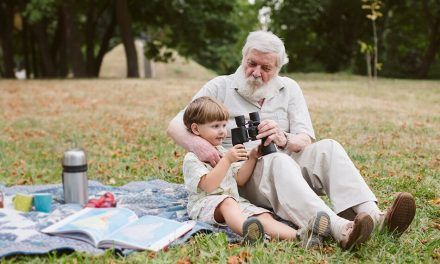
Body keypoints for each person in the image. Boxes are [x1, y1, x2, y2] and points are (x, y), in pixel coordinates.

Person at [168, 31, 416, 250]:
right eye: (251, 63)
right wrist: (199, 145)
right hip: (241, 174)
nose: (256, 73)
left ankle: (375, 217)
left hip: (286, 162)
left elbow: (305, 139)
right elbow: (176, 124)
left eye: (266, 69)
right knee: (277, 160)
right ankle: (342, 230)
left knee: (328, 148)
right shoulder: (220, 86)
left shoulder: (289, 89)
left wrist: (282, 137)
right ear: (243, 57)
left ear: (278, 69)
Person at [182, 96, 331, 247]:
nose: (222, 131)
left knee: (262, 215)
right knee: (227, 203)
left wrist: (252, 157)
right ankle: (248, 233)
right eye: (215, 126)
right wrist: (227, 160)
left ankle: (301, 237)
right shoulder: (192, 158)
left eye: (224, 125)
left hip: (234, 200)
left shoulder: (221, 151)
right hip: (206, 205)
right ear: (195, 129)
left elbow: (239, 180)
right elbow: (208, 186)